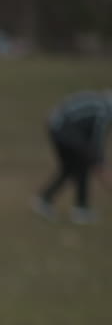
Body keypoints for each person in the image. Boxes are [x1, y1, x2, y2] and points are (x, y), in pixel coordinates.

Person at [34, 90, 112, 225]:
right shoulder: (104, 112)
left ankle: (45, 200)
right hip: (64, 130)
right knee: (81, 165)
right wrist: (100, 164)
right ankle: (80, 210)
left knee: (70, 167)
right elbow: (96, 140)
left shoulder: (98, 101)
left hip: (55, 126)